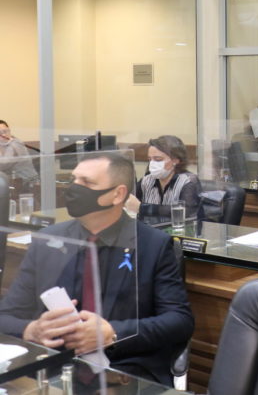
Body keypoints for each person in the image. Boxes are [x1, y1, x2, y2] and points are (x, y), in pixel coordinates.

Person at [0, 153, 194, 385]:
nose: (74, 188)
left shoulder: (152, 244)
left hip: (125, 370)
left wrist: (112, 333)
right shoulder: (48, 240)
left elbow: (179, 321)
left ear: (118, 194)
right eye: (74, 180)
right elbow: (5, 316)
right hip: (53, 369)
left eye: (87, 183)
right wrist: (32, 330)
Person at [127, 135, 202, 224]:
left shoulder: (188, 181)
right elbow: (130, 200)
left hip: (178, 234)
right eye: (150, 159)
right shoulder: (147, 180)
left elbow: (185, 212)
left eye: (158, 159)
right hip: (150, 233)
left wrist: (141, 208)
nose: (152, 164)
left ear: (176, 160)